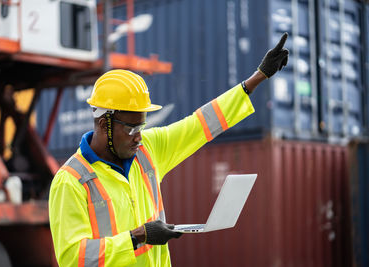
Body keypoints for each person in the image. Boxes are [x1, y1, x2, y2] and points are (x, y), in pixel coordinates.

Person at [49, 33, 289, 266]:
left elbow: (199, 125)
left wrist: (257, 78)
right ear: (104, 124)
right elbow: (72, 258)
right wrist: (136, 237)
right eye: (132, 129)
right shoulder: (71, 181)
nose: (138, 137)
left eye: (141, 126)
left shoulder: (147, 150)